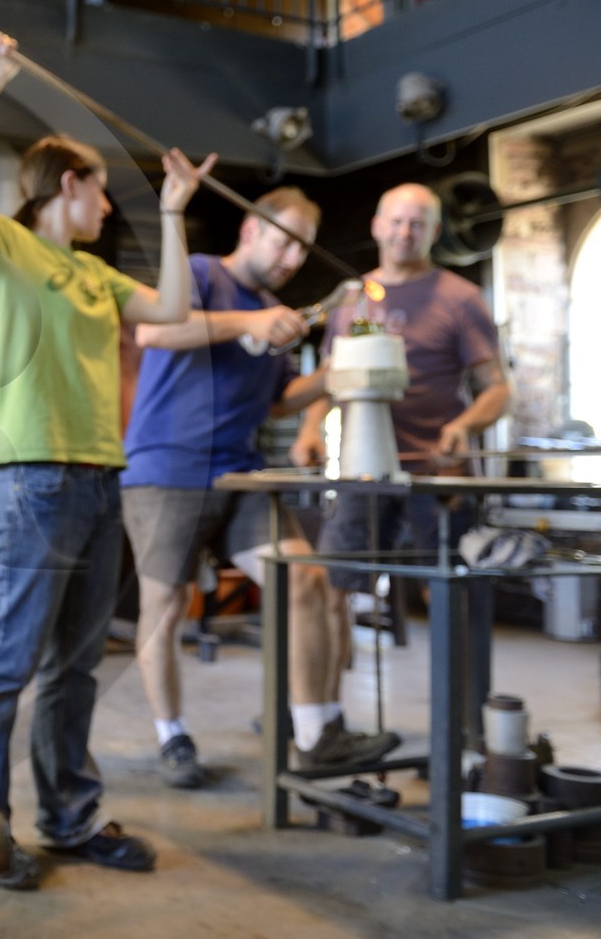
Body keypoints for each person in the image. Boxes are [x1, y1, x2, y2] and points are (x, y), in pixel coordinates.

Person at [0, 27, 213, 890]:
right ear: (71, 184)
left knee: (75, 666)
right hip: (32, 483)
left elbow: (169, 305)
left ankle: (68, 816)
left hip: (98, 479)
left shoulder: (95, 277)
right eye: (103, 192)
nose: (109, 207)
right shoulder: (7, 249)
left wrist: (171, 212)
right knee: (7, 659)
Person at [122, 187, 402, 789]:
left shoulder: (276, 308)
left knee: (304, 576)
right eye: (284, 242)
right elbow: (154, 334)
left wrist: (339, 368)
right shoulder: (200, 274)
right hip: (167, 468)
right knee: (164, 609)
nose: (291, 260)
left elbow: (276, 404)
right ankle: (173, 736)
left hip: (242, 470)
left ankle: (315, 734)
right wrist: (248, 321)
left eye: (302, 251)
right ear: (252, 230)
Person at [290, 182, 509, 745]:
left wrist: (463, 427)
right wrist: (312, 425)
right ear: (376, 225)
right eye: (396, 221)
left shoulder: (460, 298)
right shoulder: (351, 300)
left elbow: (496, 389)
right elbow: (335, 376)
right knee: (330, 585)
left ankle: (465, 732)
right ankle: (327, 725)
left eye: (418, 223)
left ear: (434, 232)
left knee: (449, 597)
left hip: (437, 477)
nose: (404, 232)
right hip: (365, 471)